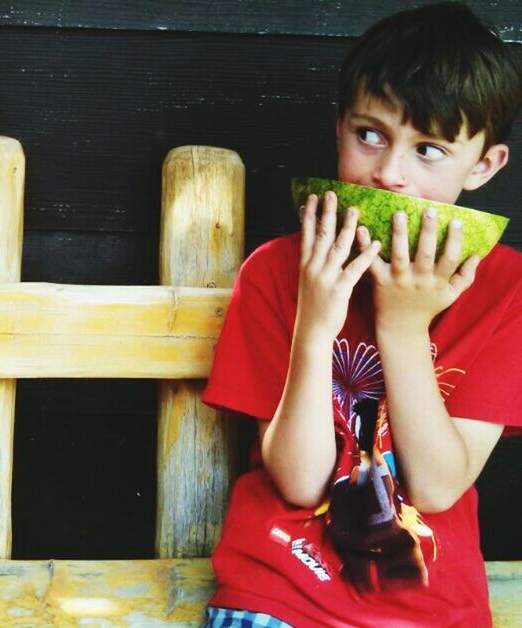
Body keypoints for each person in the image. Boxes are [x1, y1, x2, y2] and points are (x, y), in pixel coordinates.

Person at [201, 3, 522, 626]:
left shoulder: (507, 291)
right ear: (340, 127)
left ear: (483, 166)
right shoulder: (277, 271)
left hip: (433, 610)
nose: (389, 175)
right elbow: (297, 483)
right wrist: (316, 324)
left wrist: (401, 325)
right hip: (279, 598)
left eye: (429, 149)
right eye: (370, 135)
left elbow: (435, 487)